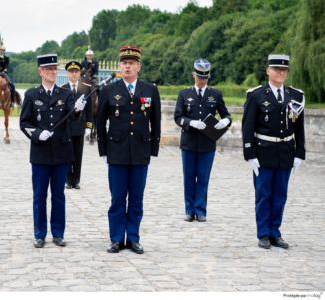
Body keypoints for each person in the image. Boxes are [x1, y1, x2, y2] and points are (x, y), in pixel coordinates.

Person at [97, 46, 161, 254]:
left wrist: (153, 149)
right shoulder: (109, 90)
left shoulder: (150, 90)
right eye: (124, 62)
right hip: (117, 152)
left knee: (136, 198)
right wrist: (103, 149)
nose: (127, 66)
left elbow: (156, 121)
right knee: (117, 198)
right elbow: (100, 122)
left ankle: (133, 238)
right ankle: (116, 238)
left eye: (131, 63)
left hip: (140, 152)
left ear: (138, 67)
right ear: (119, 66)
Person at [20, 54, 86, 248]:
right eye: (48, 69)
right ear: (40, 71)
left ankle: (58, 233)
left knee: (58, 195)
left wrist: (77, 110)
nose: (52, 72)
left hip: (61, 152)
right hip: (40, 152)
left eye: (54, 69)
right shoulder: (32, 95)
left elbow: (72, 120)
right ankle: (39, 234)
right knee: (40, 195)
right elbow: (24, 122)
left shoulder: (65, 94)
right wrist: (37, 134)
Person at [242, 54, 305, 249]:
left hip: (285, 152)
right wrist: (250, 154)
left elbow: (299, 128)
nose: (281, 72)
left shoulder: (295, 96)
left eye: (284, 70)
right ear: (268, 70)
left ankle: (275, 232)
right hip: (263, 153)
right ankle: (263, 233)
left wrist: (299, 153)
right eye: (277, 69)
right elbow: (248, 127)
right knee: (263, 194)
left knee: (280, 195)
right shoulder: (256, 95)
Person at [174, 59, 232, 222]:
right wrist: (191, 122)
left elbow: (226, 114)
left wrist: (225, 122)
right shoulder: (184, 94)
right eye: (199, 76)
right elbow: (178, 117)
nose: (202, 80)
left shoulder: (215, 94)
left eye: (205, 77)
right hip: (189, 142)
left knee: (203, 177)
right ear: (193, 74)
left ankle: (200, 210)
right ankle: (189, 210)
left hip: (207, 143)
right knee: (189, 177)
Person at [62, 61, 93, 189]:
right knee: (68, 153)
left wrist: (89, 126)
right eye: (71, 72)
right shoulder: (63, 88)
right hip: (67, 126)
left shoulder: (85, 88)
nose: (74, 74)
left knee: (78, 154)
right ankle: (68, 180)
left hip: (80, 126)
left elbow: (89, 110)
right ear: (67, 73)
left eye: (76, 72)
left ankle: (76, 180)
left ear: (79, 73)